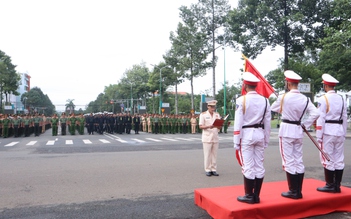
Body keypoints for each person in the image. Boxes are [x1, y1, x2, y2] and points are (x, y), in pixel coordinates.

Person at [271, 70, 319, 199]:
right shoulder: (305, 98)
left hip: (287, 129)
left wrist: (281, 102)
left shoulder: (283, 97)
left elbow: (272, 108)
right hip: (298, 129)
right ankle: (298, 191)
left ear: (288, 83)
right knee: (298, 159)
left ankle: (293, 191)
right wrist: (306, 124)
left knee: (288, 161)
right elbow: (316, 113)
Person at [234, 72, 271, 204]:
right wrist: (266, 139)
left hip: (247, 135)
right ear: (255, 86)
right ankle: (256, 195)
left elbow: (238, 122)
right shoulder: (265, 101)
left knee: (248, 166)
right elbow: (268, 123)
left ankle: (249, 195)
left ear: (244, 85)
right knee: (259, 165)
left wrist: (236, 141)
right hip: (260, 134)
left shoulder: (241, 100)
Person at [315, 74, 347, 193]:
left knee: (327, 157)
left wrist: (319, 134)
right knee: (338, 158)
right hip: (339, 129)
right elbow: (344, 117)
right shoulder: (342, 98)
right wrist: (343, 132)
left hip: (328, 130)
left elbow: (321, 117)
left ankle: (330, 184)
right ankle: (337, 185)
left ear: (326, 85)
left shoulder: (323, 99)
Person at [199, 100, 221, 177]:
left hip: (215, 136)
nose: (213, 108)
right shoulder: (203, 115)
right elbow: (201, 126)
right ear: (208, 106)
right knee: (207, 154)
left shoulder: (217, 115)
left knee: (214, 154)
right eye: (211, 107)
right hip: (207, 137)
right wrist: (209, 126)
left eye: (214, 107)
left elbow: (219, 126)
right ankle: (208, 169)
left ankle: (213, 169)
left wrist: (220, 125)